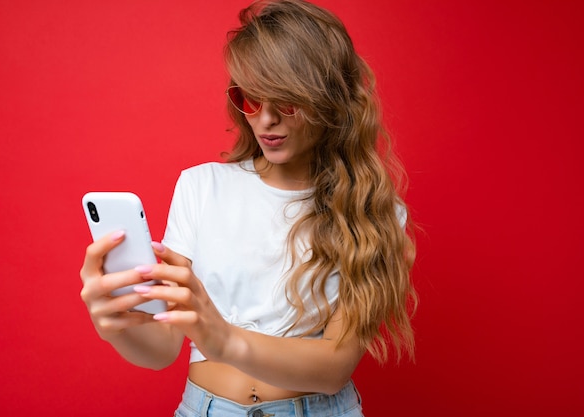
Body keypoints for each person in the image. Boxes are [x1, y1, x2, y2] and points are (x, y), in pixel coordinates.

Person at [80, 1, 416, 416]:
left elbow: (334, 368)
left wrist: (222, 338)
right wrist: (114, 325)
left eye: (287, 102)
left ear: (331, 100)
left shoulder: (371, 212)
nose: (266, 119)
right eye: (251, 99)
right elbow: (162, 348)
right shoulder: (202, 187)